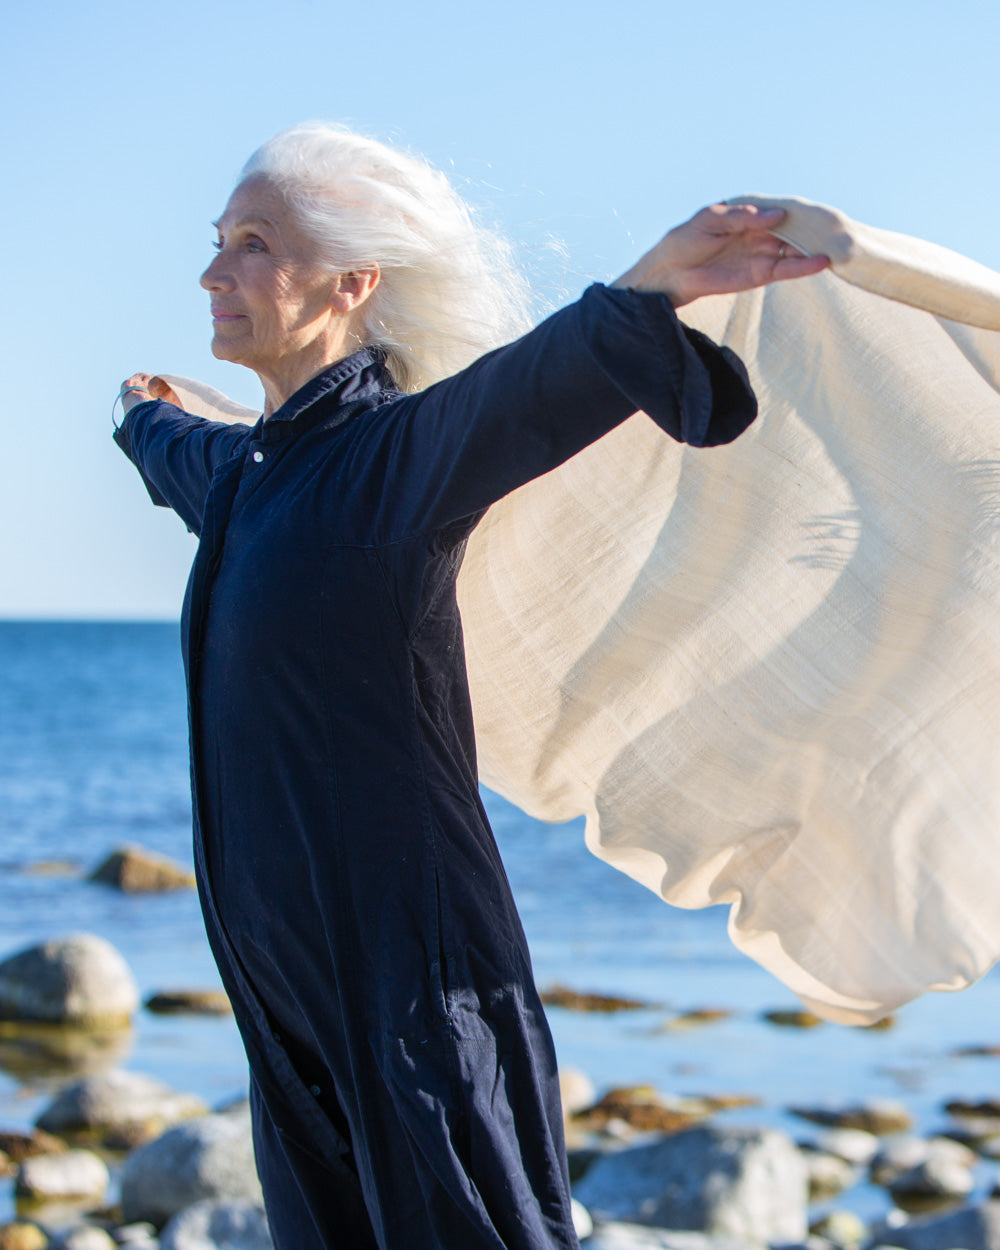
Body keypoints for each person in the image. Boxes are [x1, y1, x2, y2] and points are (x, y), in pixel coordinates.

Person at [114, 123, 828, 1250]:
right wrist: (144, 412)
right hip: (284, 1009)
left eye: (253, 246)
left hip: (415, 998)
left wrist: (646, 291)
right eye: (217, 243)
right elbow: (179, 455)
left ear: (352, 283)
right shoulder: (251, 479)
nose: (215, 272)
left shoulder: (395, 459)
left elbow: (529, 389)